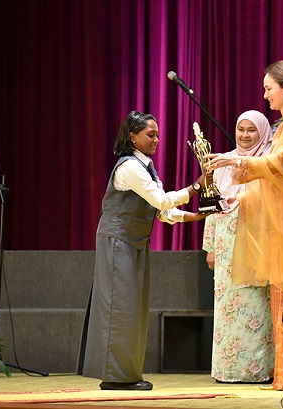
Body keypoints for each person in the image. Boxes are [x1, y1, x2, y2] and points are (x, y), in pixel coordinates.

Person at [205, 60, 283, 391]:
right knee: (282, 297)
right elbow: (271, 175)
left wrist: (236, 160)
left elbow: (277, 164)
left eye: (268, 88)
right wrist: (239, 194)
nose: (265, 95)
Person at [77, 110, 208, 391]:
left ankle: (126, 373)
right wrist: (196, 186)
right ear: (133, 137)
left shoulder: (146, 166)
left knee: (132, 309)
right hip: (118, 241)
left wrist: (193, 217)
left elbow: (162, 211)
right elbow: (161, 200)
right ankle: (116, 377)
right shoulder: (129, 167)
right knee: (119, 308)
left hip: (134, 243)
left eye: (158, 135)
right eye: (151, 135)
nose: (156, 139)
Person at [202, 110, 275, 383]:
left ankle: (257, 371)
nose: (245, 135)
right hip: (225, 246)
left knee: (256, 305)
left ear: (263, 133)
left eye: (251, 130)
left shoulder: (267, 163)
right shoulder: (223, 162)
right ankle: (228, 370)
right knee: (227, 307)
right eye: (241, 129)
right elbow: (212, 204)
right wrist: (210, 246)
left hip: (256, 243)